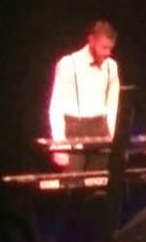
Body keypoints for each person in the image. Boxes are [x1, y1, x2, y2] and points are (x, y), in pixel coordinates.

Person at [48, 21, 121, 170]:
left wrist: (113, 138)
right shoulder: (69, 64)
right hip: (75, 129)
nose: (107, 53)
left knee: (98, 184)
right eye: (104, 47)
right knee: (73, 185)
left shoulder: (111, 67)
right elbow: (56, 106)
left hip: (101, 129)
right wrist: (59, 144)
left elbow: (113, 106)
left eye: (110, 48)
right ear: (91, 40)